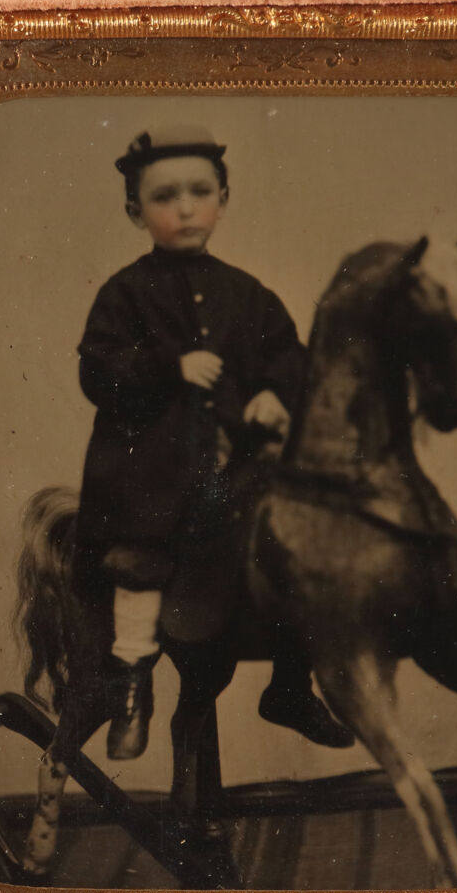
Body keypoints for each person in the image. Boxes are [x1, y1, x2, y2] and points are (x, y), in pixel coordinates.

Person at [75, 123, 354, 760]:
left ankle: (291, 684)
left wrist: (275, 393)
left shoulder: (244, 294)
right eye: (164, 197)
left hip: (233, 472)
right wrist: (167, 368)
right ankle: (131, 686)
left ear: (222, 200)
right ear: (134, 212)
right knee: (140, 559)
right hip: (151, 469)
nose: (184, 208)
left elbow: (289, 353)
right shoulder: (124, 293)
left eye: (200, 192)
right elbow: (98, 370)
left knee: (299, 546)